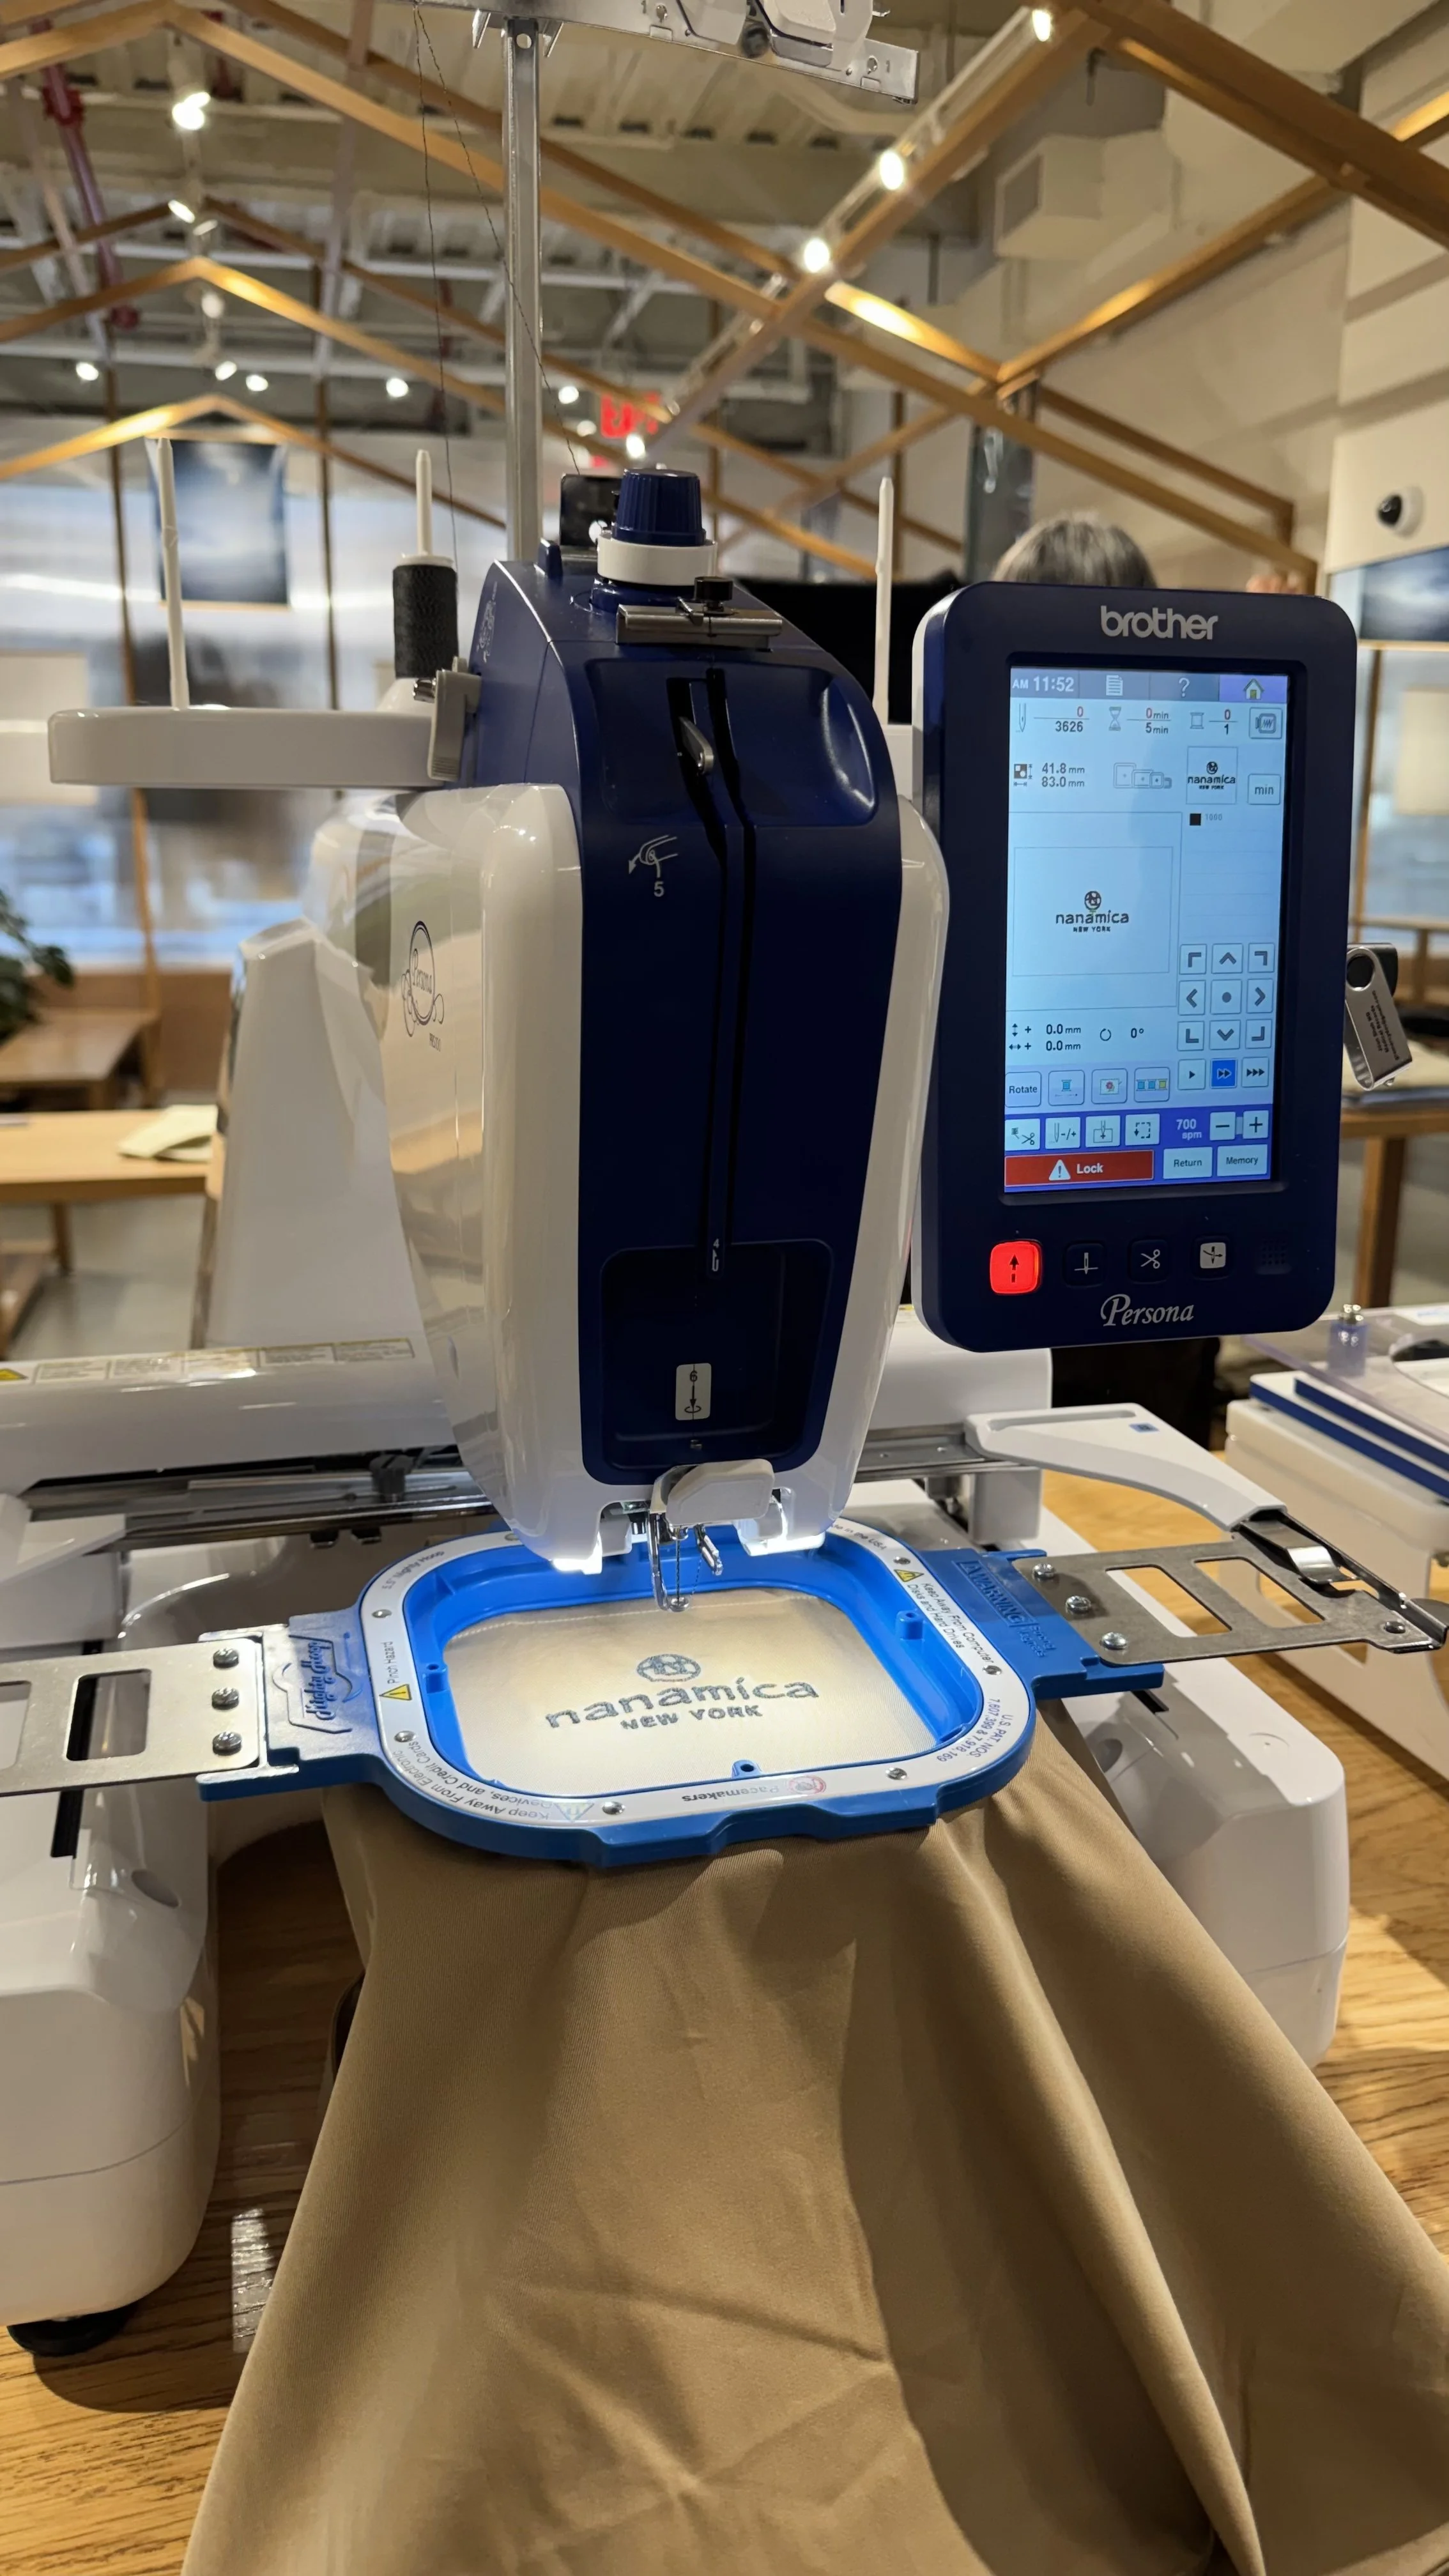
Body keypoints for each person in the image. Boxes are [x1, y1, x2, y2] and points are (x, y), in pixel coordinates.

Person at [995, 509, 1220, 1445]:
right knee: (1151, 1451)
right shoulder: (1199, 757)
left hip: (1020, 1179)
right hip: (1172, 1187)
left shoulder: (978, 771)